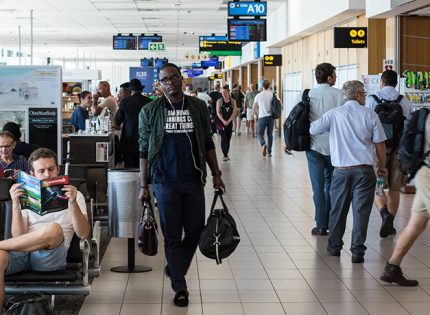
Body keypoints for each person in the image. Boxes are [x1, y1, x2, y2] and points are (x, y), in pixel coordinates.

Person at [138, 63, 224, 308]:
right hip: (165, 182)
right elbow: (143, 149)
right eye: (165, 79)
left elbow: (207, 141)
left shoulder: (197, 107)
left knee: (196, 230)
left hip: (194, 180)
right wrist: (144, 186)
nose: (170, 83)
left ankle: (174, 268)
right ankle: (180, 285)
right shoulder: (150, 111)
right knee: (173, 235)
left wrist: (217, 173)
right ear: (159, 84)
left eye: (174, 78)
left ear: (182, 79)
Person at [0, 148, 90, 311]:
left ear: (58, 169)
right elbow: (19, 235)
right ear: (32, 174)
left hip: (50, 256)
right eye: (41, 171)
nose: (47, 175)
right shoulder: (25, 195)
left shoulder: (75, 195)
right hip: (22, 253)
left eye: (51, 169)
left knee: (53, 229)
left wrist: (73, 203)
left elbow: (83, 233)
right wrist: (15, 203)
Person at [310, 80, 387, 263]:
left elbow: (313, 129)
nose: (365, 97)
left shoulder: (334, 114)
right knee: (361, 212)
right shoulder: (370, 115)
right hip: (364, 172)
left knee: (338, 210)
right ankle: (357, 252)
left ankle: (334, 247)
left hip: (341, 171)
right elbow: (380, 144)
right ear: (359, 95)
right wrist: (382, 166)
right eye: (364, 94)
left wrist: (333, 133)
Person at [379, 113, 430, 287]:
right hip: (429, 175)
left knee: (417, 224)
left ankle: (392, 268)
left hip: (424, 172)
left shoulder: (426, 116)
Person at [365, 70, 413, 238]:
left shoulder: (371, 100)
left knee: (377, 184)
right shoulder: (404, 101)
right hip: (399, 148)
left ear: (382, 82)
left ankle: (384, 213)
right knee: (395, 187)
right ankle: (390, 222)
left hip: (379, 148)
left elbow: (366, 125)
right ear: (396, 83)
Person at [305, 63, 344, 236]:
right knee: (332, 185)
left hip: (313, 146)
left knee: (318, 187)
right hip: (335, 147)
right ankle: (330, 221)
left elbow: (300, 119)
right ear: (329, 78)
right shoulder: (339, 95)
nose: (335, 78)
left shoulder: (308, 94)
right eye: (334, 75)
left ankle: (321, 225)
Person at [115, 78, 152, 168]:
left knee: (130, 170)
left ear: (130, 90)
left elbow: (117, 121)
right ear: (141, 89)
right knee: (145, 168)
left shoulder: (124, 103)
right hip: (147, 141)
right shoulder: (149, 102)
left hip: (129, 142)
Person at [253, 80, 276, 157]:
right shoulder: (272, 94)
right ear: (269, 86)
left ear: (262, 86)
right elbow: (279, 104)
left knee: (260, 133)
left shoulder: (258, 95)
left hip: (262, 117)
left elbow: (254, 108)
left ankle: (263, 144)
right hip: (271, 117)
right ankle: (269, 152)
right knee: (270, 135)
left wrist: (257, 115)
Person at [216, 85, 237, 161]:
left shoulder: (233, 101)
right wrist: (223, 121)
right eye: (222, 92)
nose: (224, 94)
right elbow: (218, 112)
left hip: (229, 122)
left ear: (229, 92)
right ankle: (225, 155)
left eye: (225, 92)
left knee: (228, 139)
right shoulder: (219, 101)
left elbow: (234, 112)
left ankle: (226, 153)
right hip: (220, 123)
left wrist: (228, 121)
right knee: (223, 138)